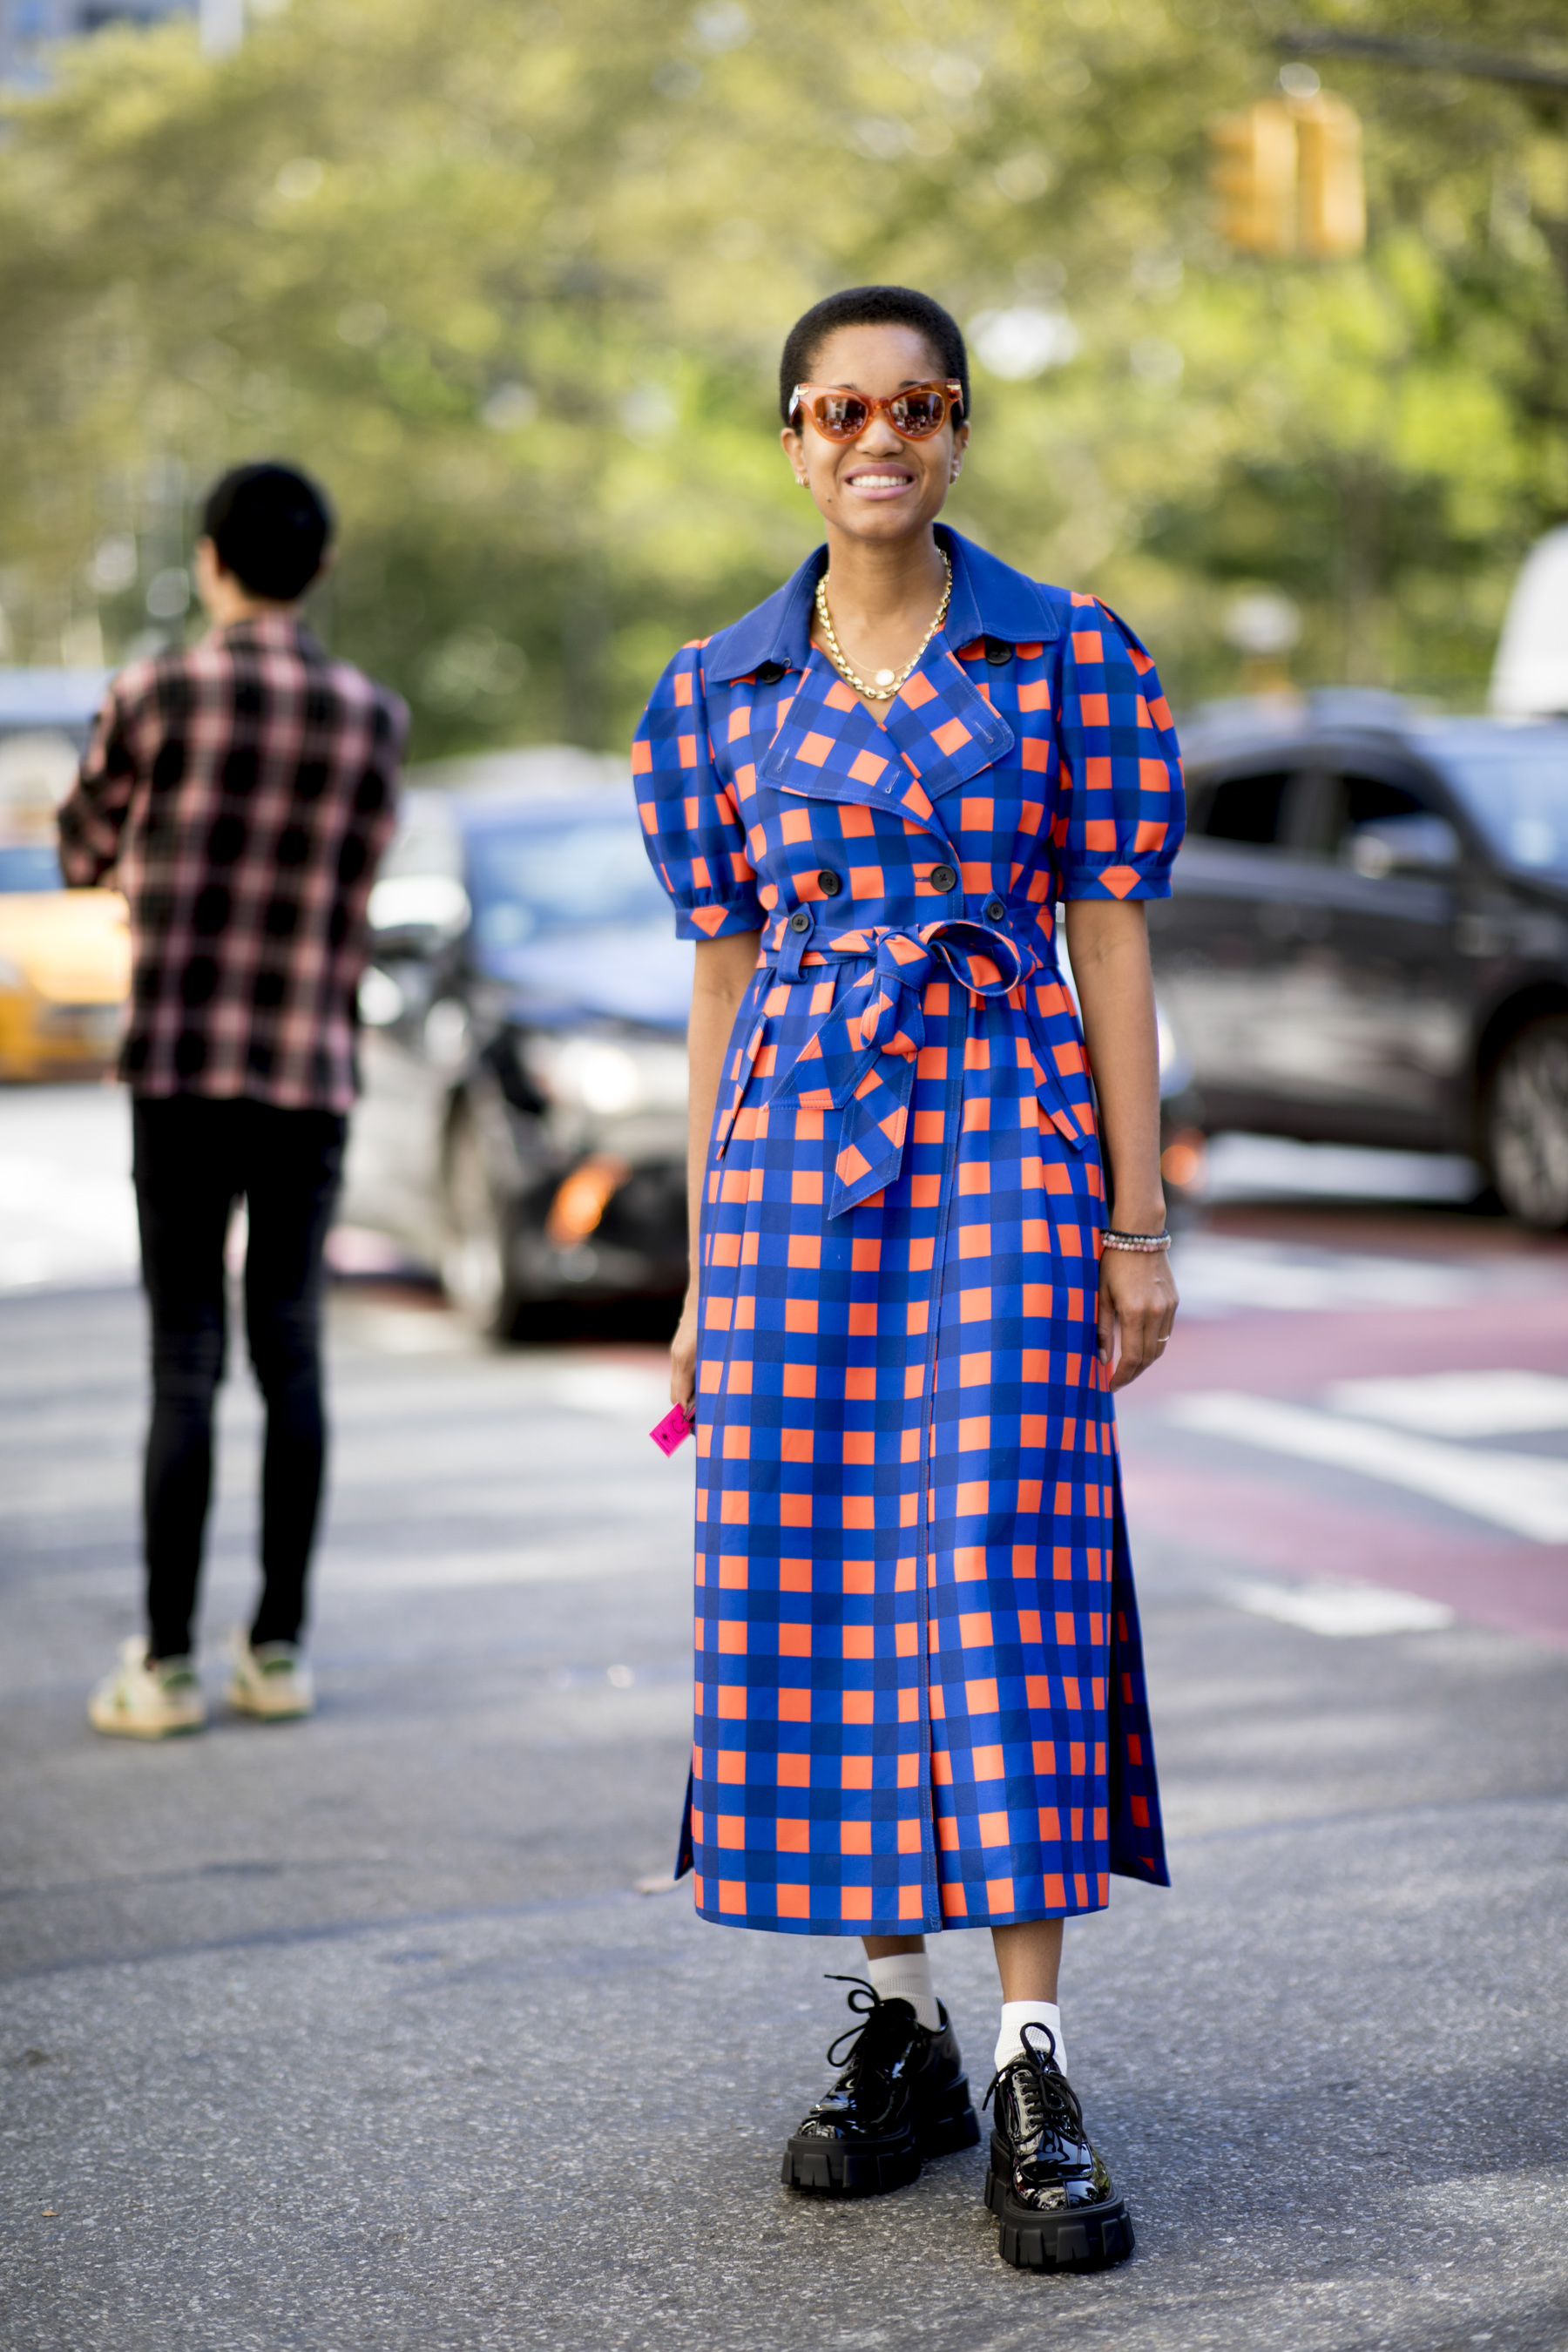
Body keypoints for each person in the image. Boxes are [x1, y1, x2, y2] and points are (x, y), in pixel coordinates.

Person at [632, 287, 1182, 2271]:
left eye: (919, 404)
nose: (880, 435)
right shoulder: (716, 692)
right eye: (839, 406)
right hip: (790, 1175)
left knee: (1000, 1564)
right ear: (792, 437)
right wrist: (706, 1257)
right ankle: (903, 2025)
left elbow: (1110, 943)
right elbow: (719, 978)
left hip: (1006, 1157)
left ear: (958, 433)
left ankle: (1034, 2054)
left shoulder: (1068, 655)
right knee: (825, 1568)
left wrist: (1136, 1220)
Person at [58, 462, 407, 1740]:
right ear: (316, 570)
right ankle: (278, 1649)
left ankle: (164, 1665)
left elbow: (83, 849)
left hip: (180, 1067)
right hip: (307, 1072)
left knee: (184, 1359)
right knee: (291, 1346)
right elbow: (364, 866)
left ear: (210, 560)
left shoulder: (150, 694)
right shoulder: (368, 714)